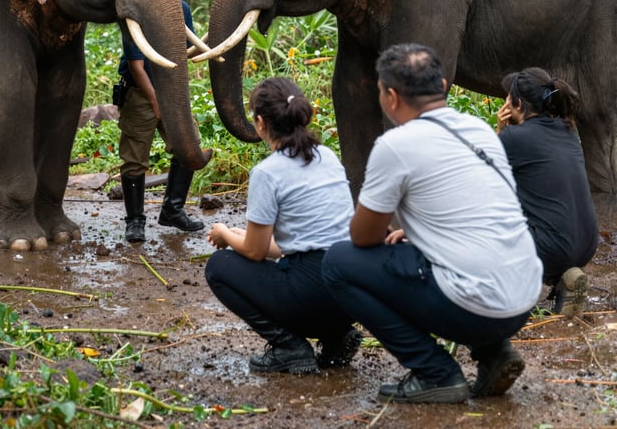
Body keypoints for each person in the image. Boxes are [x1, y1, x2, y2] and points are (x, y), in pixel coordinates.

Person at [322, 44, 542, 403]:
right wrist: (423, 228)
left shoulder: (396, 144)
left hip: (476, 306)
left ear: (391, 97)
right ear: (441, 84)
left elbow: (363, 237)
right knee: (442, 257)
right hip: (523, 296)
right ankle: (494, 352)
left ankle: (434, 372)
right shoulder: (481, 130)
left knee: (339, 264)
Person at [205, 77, 362, 374]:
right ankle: (337, 335)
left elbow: (254, 252)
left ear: (260, 123)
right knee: (298, 270)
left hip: (314, 293)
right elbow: (304, 243)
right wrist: (244, 236)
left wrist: (225, 233)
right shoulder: (326, 156)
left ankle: (289, 346)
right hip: (351, 292)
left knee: (219, 266)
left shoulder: (268, 172)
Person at [497, 68, 599, 317]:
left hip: (553, 247)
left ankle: (511, 298)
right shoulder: (569, 132)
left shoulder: (513, 137)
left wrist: (501, 131)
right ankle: (563, 278)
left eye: (508, 98)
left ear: (517, 104)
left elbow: (484, 183)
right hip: (587, 244)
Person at [117, 0, 203, 243]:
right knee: (135, 156)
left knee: (188, 145)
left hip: (171, 88)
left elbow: (184, 52)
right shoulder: (136, 10)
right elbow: (136, 64)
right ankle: (135, 221)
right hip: (140, 92)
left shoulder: (183, 10)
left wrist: (171, 95)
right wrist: (156, 101)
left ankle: (172, 210)